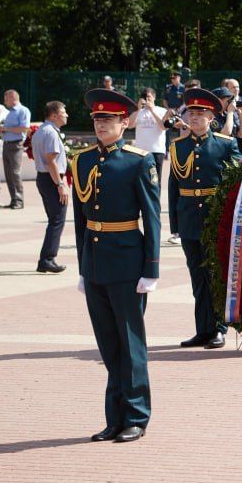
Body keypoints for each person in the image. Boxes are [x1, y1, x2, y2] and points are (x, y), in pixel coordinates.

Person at [71, 87, 160, 443]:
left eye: (108, 119)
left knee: (130, 344)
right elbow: (80, 220)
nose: (101, 125)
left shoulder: (139, 161)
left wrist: (151, 269)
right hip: (96, 265)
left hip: (127, 263)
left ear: (125, 122)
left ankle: (136, 416)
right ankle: (114, 417)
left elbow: (152, 219)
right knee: (108, 345)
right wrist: (82, 266)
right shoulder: (83, 161)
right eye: (97, 119)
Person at [168, 87, 240, 349]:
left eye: (201, 113)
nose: (195, 117)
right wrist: (175, 225)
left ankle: (219, 328)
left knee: (215, 274)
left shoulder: (224, 144)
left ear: (212, 117)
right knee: (197, 277)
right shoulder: (178, 147)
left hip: (215, 217)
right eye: (191, 112)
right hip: (188, 218)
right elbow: (174, 187)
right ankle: (203, 329)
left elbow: (238, 177)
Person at [31, 101, 70, 274]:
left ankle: (46, 259)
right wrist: (60, 184)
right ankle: (47, 259)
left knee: (54, 220)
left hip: (44, 178)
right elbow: (51, 160)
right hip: (52, 179)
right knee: (57, 220)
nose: (66, 114)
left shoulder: (42, 130)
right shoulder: (51, 133)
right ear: (53, 115)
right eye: (63, 112)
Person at [0, 89, 31, 209]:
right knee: (8, 174)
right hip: (6, 144)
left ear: (13, 98)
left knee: (15, 173)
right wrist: (0, 130)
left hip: (16, 144)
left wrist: (6, 129)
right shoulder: (8, 112)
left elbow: (24, 128)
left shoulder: (23, 110)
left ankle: (19, 200)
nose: (4, 101)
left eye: (6, 98)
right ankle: (13, 200)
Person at [128, 88, 170, 182]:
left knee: (155, 180)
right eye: (144, 97)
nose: (146, 99)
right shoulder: (138, 112)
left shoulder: (161, 110)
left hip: (157, 150)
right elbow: (129, 125)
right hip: (140, 151)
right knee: (141, 180)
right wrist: (138, 109)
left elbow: (164, 127)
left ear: (154, 97)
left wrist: (152, 110)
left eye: (149, 97)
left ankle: (156, 197)